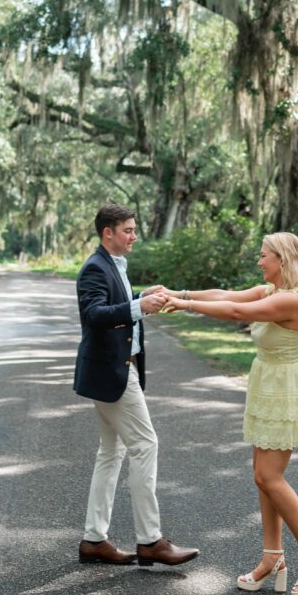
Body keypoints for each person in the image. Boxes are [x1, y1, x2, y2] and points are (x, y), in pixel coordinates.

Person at [162, 232, 298, 595]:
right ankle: (272, 557)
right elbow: (227, 297)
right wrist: (182, 295)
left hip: (287, 388)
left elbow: (238, 313)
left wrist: (182, 304)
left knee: (269, 476)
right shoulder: (271, 291)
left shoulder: (291, 299)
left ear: (283, 260)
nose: (260, 261)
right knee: (262, 477)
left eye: (264, 256)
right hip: (268, 384)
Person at [74, 203, 199, 567]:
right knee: (145, 445)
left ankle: (94, 539)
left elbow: (114, 305)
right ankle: (150, 541)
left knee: (111, 453)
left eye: (133, 229)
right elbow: (94, 315)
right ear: (107, 233)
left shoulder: (114, 265)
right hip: (111, 373)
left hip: (117, 369)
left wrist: (138, 297)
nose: (133, 235)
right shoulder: (94, 268)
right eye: (127, 230)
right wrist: (140, 306)